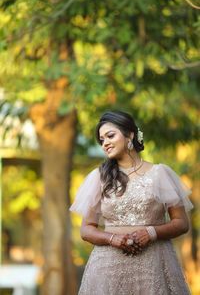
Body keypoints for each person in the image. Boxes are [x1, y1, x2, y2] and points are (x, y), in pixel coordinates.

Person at [70, 110, 193, 295]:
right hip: (107, 267)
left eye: (110, 136)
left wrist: (150, 233)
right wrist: (113, 239)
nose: (105, 143)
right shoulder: (100, 178)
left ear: (130, 135)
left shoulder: (160, 174)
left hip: (154, 265)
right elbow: (86, 229)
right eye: (102, 140)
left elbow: (182, 223)